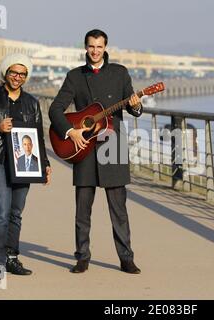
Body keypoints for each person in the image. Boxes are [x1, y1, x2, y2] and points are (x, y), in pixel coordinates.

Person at [49, 29, 143, 274]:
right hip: (84, 144)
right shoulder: (74, 76)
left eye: (99, 46)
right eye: (91, 46)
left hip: (113, 144)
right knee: (83, 208)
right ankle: (82, 257)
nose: (95, 51)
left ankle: (126, 258)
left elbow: (133, 107)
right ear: (85, 47)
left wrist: (136, 106)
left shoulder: (120, 73)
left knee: (119, 209)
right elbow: (56, 110)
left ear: (106, 47)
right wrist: (72, 132)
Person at [0, 53, 52, 279]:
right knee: (2, 211)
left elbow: (38, 137)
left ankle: (12, 258)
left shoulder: (32, 103)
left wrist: (44, 163)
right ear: (6, 73)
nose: (18, 77)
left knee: (16, 213)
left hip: (25, 165)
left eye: (22, 74)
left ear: (26, 77)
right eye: (14, 72)